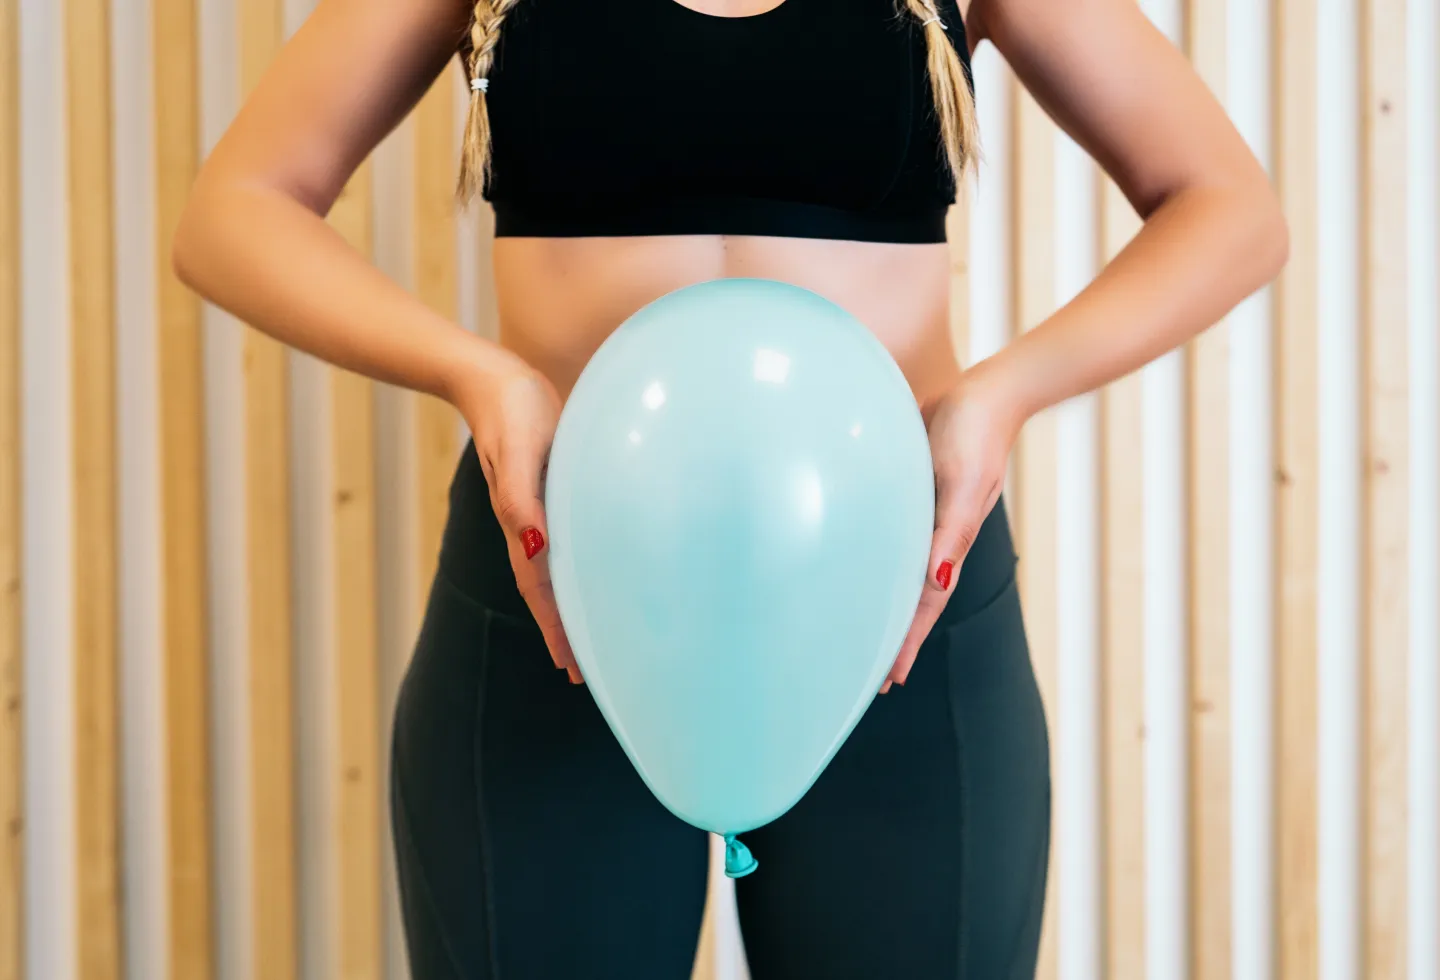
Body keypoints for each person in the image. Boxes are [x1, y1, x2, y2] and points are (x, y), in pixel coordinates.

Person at [172, 0, 1287, 975]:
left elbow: (1229, 206)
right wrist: (477, 371)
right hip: (558, 588)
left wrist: (1002, 394)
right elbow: (235, 209)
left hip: (899, 600)